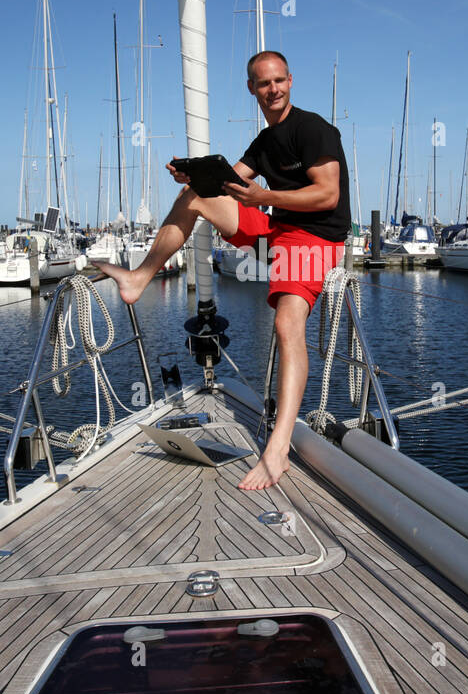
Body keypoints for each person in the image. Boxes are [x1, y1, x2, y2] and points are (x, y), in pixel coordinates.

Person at [93, 50, 350, 491]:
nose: (272, 90)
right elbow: (231, 184)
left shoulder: (314, 130)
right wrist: (192, 178)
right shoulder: (264, 143)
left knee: (288, 325)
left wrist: (262, 198)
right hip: (276, 228)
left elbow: (327, 195)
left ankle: (279, 449)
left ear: (291, 80)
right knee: (195, 197)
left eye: (279, 81)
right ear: (251, 88)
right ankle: (140, 276)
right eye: (262, 83)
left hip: (316, 238)